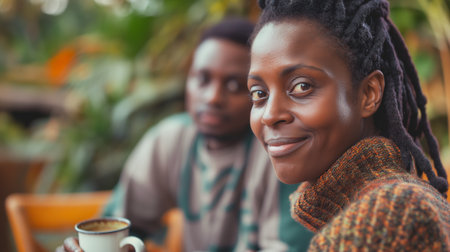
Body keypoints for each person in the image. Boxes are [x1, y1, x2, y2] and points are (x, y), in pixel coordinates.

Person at [57, 17, 313, 252]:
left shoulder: (281, 148)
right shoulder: (171, 139)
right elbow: (121, 227)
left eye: (235, 85)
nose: (213, 97)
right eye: (202, 79)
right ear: (187, 82)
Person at [247, 0, 450, 251]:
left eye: (302, 86)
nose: (270, 115)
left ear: (368, 94)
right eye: (259, 93)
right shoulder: (389, 202)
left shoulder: (389, 214)